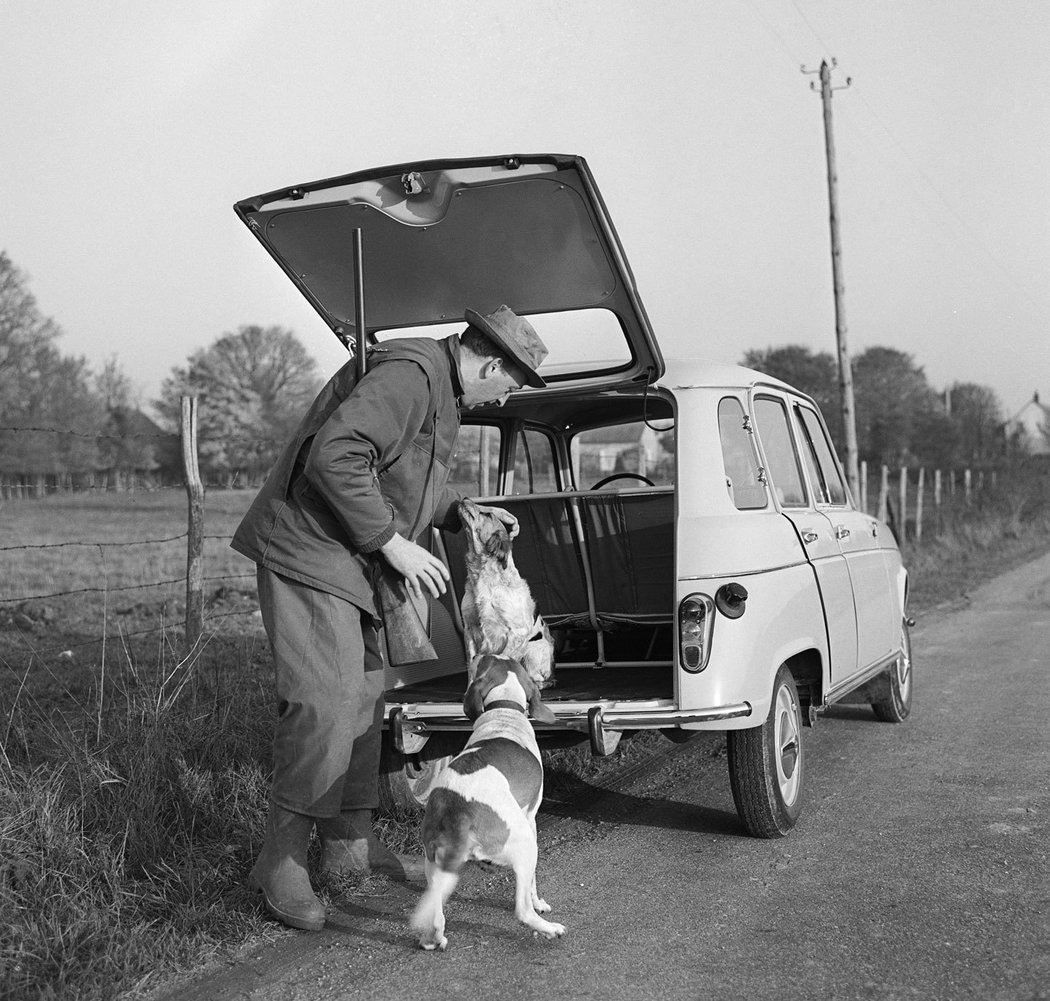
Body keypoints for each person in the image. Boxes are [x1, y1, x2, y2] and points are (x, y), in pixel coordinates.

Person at [231, 305, 548, 931]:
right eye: (510, 382)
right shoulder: (411, 375)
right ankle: (281, 860)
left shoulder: (442, 390)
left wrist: (460, 513)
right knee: (324, 699)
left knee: (366, 697)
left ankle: (349, 845)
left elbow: (407, 481)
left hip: (350, 558)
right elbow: (337, 456)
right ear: (490, 362)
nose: (503, 396)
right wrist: (391, 542)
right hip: (311, 551)